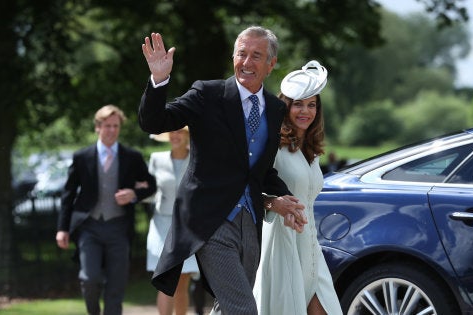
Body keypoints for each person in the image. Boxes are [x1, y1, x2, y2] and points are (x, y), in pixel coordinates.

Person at [138, 26, 308, 314]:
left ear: (271, 64)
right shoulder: (208, 94)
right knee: (243, 308)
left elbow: (258, 170)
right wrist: (159, 79)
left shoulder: (275, 109)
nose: (247, 62)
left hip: (250, 222)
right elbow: (155, 122)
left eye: (256, 55)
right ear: (233, 57)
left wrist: (285, 200)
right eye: (241, 54)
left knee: (226, 307)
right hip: (210, 222)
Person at [253, 60, 343, 315]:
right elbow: (248, 188)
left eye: (312, 104)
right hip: (282, 242)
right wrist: (272, 203)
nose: (306, 111)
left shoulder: (312, 152)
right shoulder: (273, 145)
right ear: (286, 105)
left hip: (310, 245)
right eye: (299, 104)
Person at [55, 104, 157, 315]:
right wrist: (62, 228)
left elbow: (151, 185)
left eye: (115, 126)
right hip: (89, 227)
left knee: (116, 285)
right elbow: (68, 193)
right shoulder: (82, 157)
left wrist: (134, 194)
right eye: (107, 126)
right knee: (90, 278)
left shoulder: (132, 157)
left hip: (119, 228)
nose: (112, 130)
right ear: (97, 127)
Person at [146, 127, 199, 315]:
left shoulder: (199, 158)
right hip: (162, 225)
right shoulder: (156, 159)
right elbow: (148, 192)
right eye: (173, 132)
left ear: (188, 135)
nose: (175, 136)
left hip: (188, 227)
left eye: (180, 132)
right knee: (164, 280)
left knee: (182, 279)